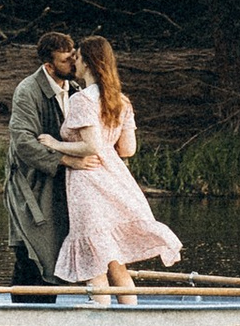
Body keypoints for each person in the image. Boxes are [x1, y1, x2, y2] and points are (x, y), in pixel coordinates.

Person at [54, 36, 182, 300]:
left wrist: (55, 144)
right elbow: (128, 150)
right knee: (114, 260)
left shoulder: (82, 100)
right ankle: (129, 314)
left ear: (87, 63)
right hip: (114, 178)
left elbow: (91, 146)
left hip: (87, 180)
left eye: (77, 57)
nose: (73, 63)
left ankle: (100, 314)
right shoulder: (121, 101)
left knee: (95, 258)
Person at [3, 28, 78, 283]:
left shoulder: (76, 89)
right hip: (31, 182)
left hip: (59, 182)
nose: (73, 62)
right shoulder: (28, 90)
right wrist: (64, 160)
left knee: (57, 249)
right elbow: (22, 140)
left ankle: (48, 313)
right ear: (48, 65)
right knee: (31, 248)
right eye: (65, 60)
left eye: (73, 56)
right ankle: (22, 315)